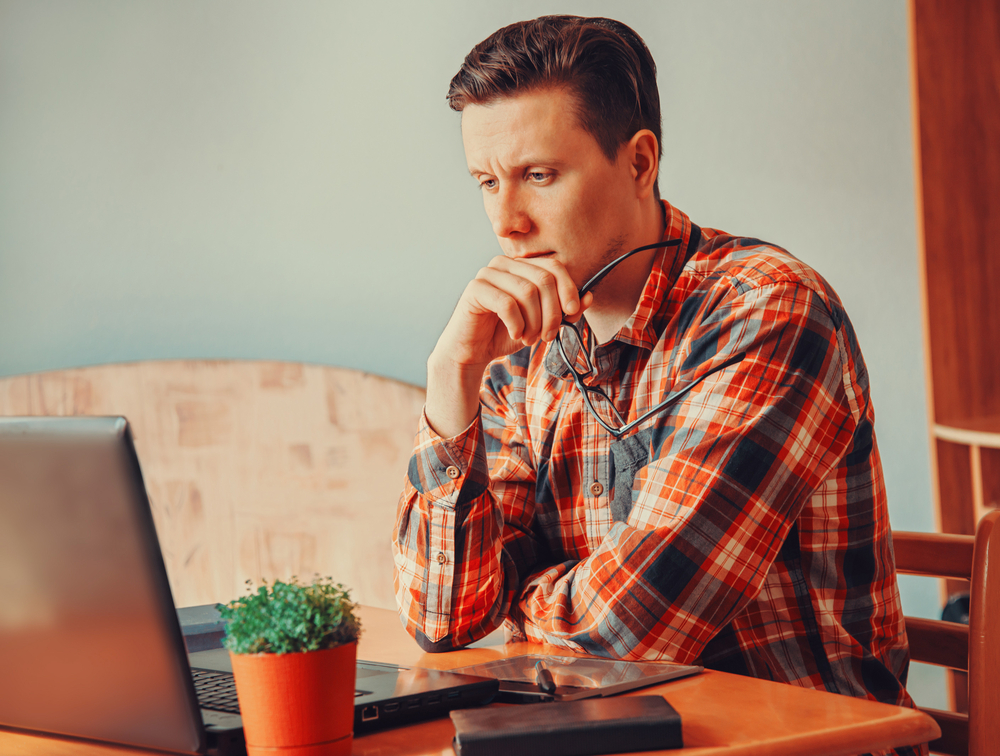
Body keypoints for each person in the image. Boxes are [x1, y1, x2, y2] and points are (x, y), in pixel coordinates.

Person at [392, 14, 919, 748]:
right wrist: (450, 380)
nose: (506, 221)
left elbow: (632, 632)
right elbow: (444, 622)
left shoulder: (765, 311)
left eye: (538, 175)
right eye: (487, 181)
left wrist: (517, 601)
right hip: (600, 739)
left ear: (639, 162)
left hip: (803, 743)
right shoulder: (515, 349)